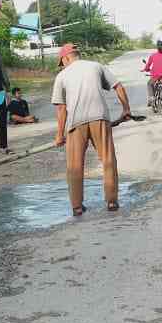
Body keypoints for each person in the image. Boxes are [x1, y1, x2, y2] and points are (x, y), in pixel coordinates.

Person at [52, 43, 132, 216]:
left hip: (76, 122)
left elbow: (61, 108)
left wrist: (60, 135)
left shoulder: (62, 76)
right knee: (108, 160)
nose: (63, 65)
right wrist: (126, 109)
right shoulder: (96, 66)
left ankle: (77, 207)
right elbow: (118, 86)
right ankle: (112, 201)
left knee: (74, 165)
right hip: (99, 117)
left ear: (66, 58)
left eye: (62, 62)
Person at [142, 40, 162, 104]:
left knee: (149, 83)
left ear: (157, 47)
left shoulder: (153, 56)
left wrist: (146, 69)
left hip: (156, 76)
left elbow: (148, 65)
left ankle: (151, 97)